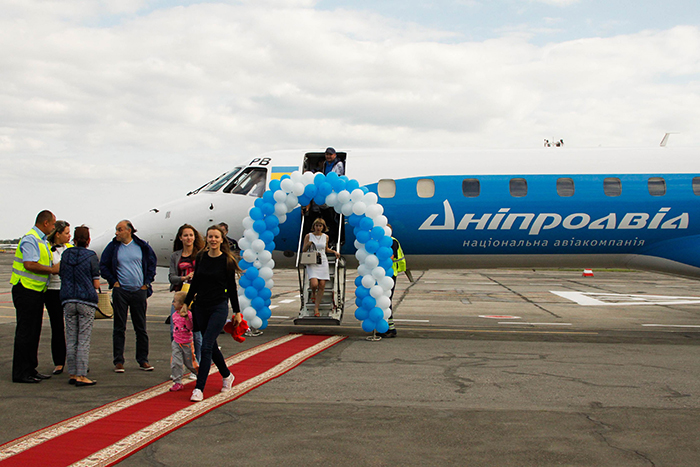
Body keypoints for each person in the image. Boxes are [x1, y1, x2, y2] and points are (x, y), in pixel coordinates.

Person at [182, 225, 241, 402]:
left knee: (206, 346)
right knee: (211, 345)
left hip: (219, 306)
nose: (213, 240)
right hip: (201, 306)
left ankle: (199, 388)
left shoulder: (227, 261)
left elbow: (231, 288)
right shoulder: (201, 257)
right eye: (210, 237)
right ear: (206, 239)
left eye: (216, 237)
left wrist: (237, 311)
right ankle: (227, 375)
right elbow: (196, 283)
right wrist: (186, 303)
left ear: (222, 240)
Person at [99, 220, 157, 373]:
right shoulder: (113, 247)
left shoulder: (142, 246)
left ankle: (143, 360)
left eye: (119, 230)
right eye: (116, 230)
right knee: (119, 326)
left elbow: (151, 263)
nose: (116, 233)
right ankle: (119, 361)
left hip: (139, 290)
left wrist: (147, 282)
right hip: (121, 291)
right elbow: (103, 265)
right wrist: (113, 282)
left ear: (129, 230)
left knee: (141, 327)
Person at [11, 210, 60, 383]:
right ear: (45, 223)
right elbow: (30, 264)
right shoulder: (31, 239)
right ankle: (20, 372)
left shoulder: (41, 240)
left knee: (34, 331)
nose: (54, 227)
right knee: (26, 332)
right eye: (53, 224)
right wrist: (52, 270)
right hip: (26, 290)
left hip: (36, 290)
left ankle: (30, 368)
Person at [60, 225, 100, 387]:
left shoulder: (66, 254)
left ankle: (72, 372)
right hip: (86, 300)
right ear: (88, 240)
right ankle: (81, 374)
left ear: (74, 240)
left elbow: (61, 273)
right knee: (83, 338)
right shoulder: (91, 256)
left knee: (71, 337)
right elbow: (96, 283)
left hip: (68, 298)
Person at [168, 224, 204, 361]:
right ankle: (178, 362)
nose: (188, 238)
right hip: (180, 294)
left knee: (196, 334)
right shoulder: (175, 256)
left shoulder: (201, 254)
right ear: (180, 238)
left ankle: (198, 363)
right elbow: (171, 277)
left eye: (191, 235)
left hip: (197, 296)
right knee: (175, 331)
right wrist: (185, 277)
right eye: (185, 235)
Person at [44, 220, 71, 375]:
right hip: (53, 290)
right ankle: (59, 362)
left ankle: (76, 361)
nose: (69, 236)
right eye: (66, 233)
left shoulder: (70, 249)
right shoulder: (47, 249)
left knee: (73, 327)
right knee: (57, 327)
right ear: (58, 234)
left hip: (68, 289)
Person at [302, 218, 340, 317]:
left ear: (323, 227)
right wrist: (308, 244)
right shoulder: (309, 236)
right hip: (312, 261)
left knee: (322, 285)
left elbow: (326, 249)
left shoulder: (325, 237)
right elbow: (304, 250)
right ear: (313, 226)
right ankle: (313, 293)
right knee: (314, 284)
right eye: (317, 225)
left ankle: (316, 308)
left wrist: (334, 252)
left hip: (322, 260)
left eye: (320, 226)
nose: (318, 227)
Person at [378, 224, 406, 339]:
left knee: (386, 301)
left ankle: (391, 328)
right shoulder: (383, 241)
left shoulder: (392, 241)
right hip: (383, 274)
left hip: (389, 274)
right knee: (381, 301)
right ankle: (384, 327)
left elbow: (391, 258)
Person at [169, 291, 198, 392]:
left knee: (190, 363)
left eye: (175, 301)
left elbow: (191, 327)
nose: (173, 303)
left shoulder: (189, 315)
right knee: (176, 362)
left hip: (187, 343)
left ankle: (199, 373)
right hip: (176, 342)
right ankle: (177, 381)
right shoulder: (174, 315)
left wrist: (186, 318)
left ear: (181, 304)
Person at [321, 147, 345, 246]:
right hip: (325, 194)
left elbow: (337, 178)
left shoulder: (338, 164)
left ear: (335, 155)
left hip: (334, 195)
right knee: (328, 220)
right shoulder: (325, 164)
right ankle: (330, 239)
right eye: (327, 154)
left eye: (330, 155)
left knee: (335, 220)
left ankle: (337, 239)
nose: (328, 156)